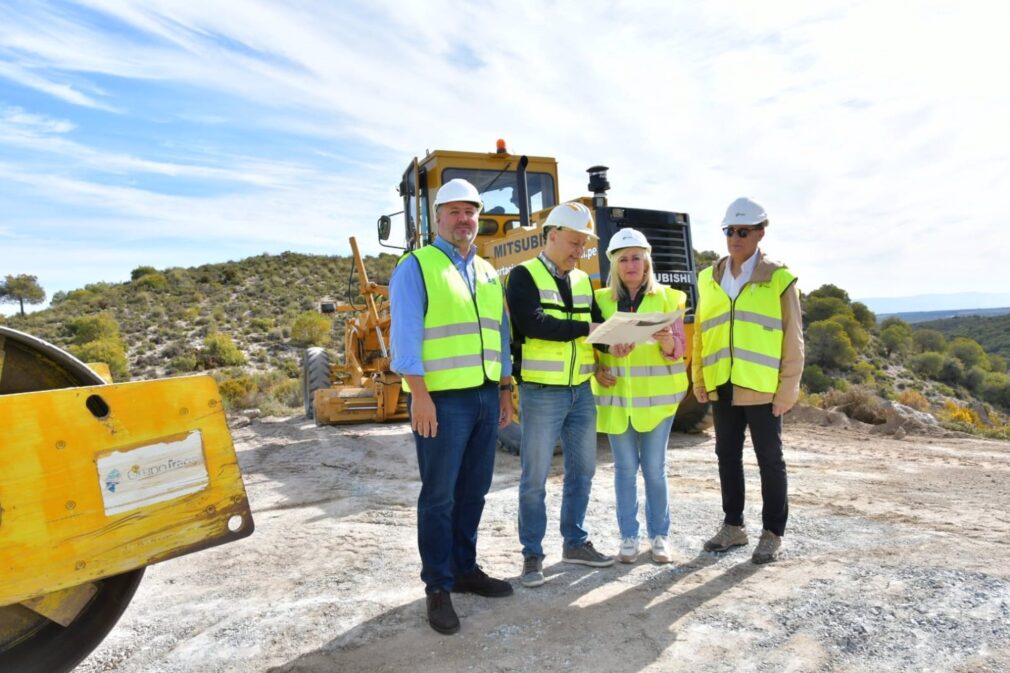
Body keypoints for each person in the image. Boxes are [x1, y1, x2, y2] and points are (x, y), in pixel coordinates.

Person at [389, 178, 515, 635]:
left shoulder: (486, 271)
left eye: (471, 211)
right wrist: (419, 396)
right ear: (437, 218)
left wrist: (504, 388)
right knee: (439, 496)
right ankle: (438, 587)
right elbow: (404, 338)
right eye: (455, 211)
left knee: (474, 490)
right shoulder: (416, 266)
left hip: (484, 394)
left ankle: (465, 569)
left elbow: (500, 333)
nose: (464, 219)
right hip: (440, 399)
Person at [506, 201, 633, 588]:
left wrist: (614, 346)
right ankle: (532, 554)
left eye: (583, 244)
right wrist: (589, 328)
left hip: (580, 391)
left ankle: (574, 542)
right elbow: (534, 324)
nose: (580, 250)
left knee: (583, 471)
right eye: (575, 242)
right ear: (553, 235)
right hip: (541, 393)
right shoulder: (522, 276)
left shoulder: (583, 282)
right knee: (535, 478)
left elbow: (594, 332)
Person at [693, 197, 804, 564]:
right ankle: (733, 526)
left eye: (743, 231)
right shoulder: (708, 278)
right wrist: (699, 379)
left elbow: (793, 338)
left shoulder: (778, 278)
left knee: (770, 459)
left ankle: (773, 533)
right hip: (722, 381)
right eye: (729, 231)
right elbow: (700, 335)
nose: (735, 238)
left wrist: (787, 389)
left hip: (761, 386)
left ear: (760, 232)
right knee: (726, 456)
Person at [592, 227, 688, 564]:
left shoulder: (669, 299)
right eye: (624, 259)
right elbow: (591, 344)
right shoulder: (600, 300)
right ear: (615, 265)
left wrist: (665, 341)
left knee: (653, 469)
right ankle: (629, 538)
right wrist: (595, 368)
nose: (631, 265)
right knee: (624, 469)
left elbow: (679, 350)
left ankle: (659, 537)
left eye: (637, 258)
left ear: (647, 263)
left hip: (657, 401)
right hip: (617, 399)